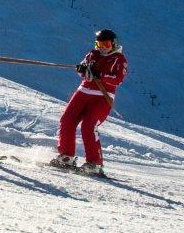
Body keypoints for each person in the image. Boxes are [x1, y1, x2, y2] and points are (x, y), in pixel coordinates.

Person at [51, 29, 128, 177]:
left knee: (89, 125)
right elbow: (83, 67)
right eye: (100, 44)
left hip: (102, 96)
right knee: (67, 120)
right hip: (83, 92)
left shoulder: (119, 59)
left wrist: (101, 75)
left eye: (106, 44)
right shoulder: (93, 54)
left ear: (113, 44)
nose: (103, 48)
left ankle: (95, 164)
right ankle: (66, 156)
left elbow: (118, 79)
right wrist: (82, 69)